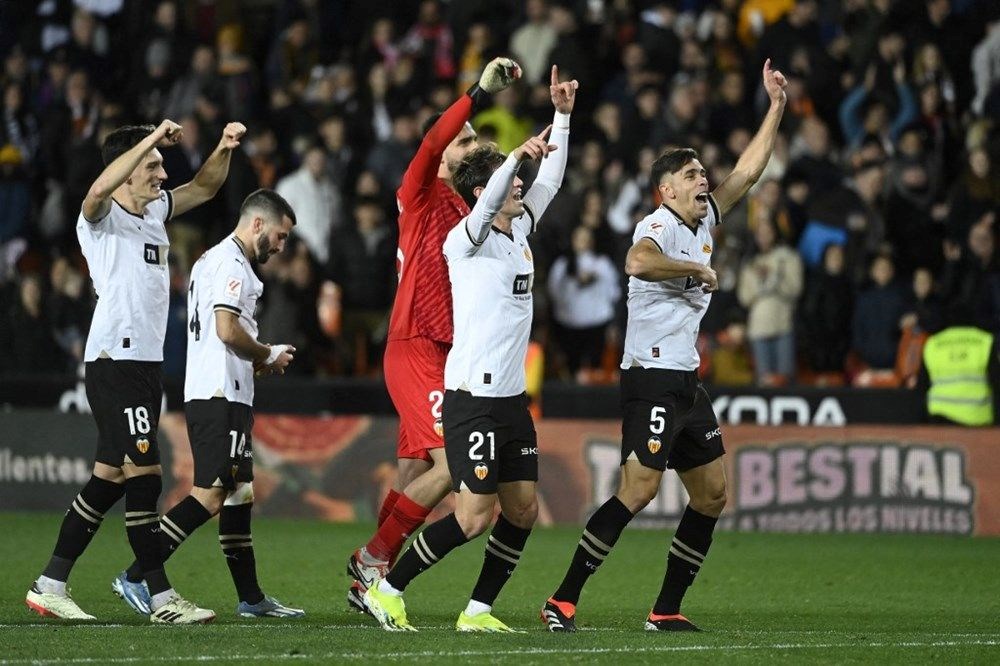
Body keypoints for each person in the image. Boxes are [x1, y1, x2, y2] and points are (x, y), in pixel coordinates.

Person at [542, 59, 787, 633]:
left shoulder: (702, 222)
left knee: (711, 494)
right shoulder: (657, 226)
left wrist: (775, 107)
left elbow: (748, 173)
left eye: (704, 173)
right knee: (639, 489)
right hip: (648, 377)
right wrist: (694, 271)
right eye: (695, 174)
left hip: (684, 381)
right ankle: (562, 600)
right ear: (668, 188)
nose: (706, 179)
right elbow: (637, 262)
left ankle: (666, 609)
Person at [362, 65, 576, 632]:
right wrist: (485, 104)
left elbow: (545, 185)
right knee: (463, 497)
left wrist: (561, 118)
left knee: (498, 500)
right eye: (464, 138)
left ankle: (474, 609)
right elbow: (456, 162)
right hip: (442, 367)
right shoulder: (446, 215)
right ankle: (381, 578)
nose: (469, 142)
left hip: (494, 382)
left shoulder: (504, 223)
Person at [27, 118, 245, 623]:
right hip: (114, 362)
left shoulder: (154, 215)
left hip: (144, 366)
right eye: (152, 165)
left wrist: (224, 147)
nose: (162, 174)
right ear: (125, 169)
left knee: (109, 479)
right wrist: (148, 139)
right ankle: (161, 598)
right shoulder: (99, 218)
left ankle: (50, 582)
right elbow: (98, 187)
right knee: (146, 476)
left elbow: (207, 186)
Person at [346, 57, 521, 611]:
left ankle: (368, 578)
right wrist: (475, 94)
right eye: (463, 140)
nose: (470, 145)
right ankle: (373, 560)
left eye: (475, 140)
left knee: (415, 472)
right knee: (452, 466)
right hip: (417, 341)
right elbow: (434, 137)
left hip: (451, 352)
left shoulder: (473, 206)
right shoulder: (420, 191)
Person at [114, 189, 305, 618]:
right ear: (258, 223)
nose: (281, 245)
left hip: (227, 391)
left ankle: (251, 598)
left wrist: (255, 359)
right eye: (280, 235)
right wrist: (266, 353)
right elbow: (225, 329)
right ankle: (137, 574)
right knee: (211, 493)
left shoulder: (212, 260)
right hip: (217, 394)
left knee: (240, 492)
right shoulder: (231, 262)